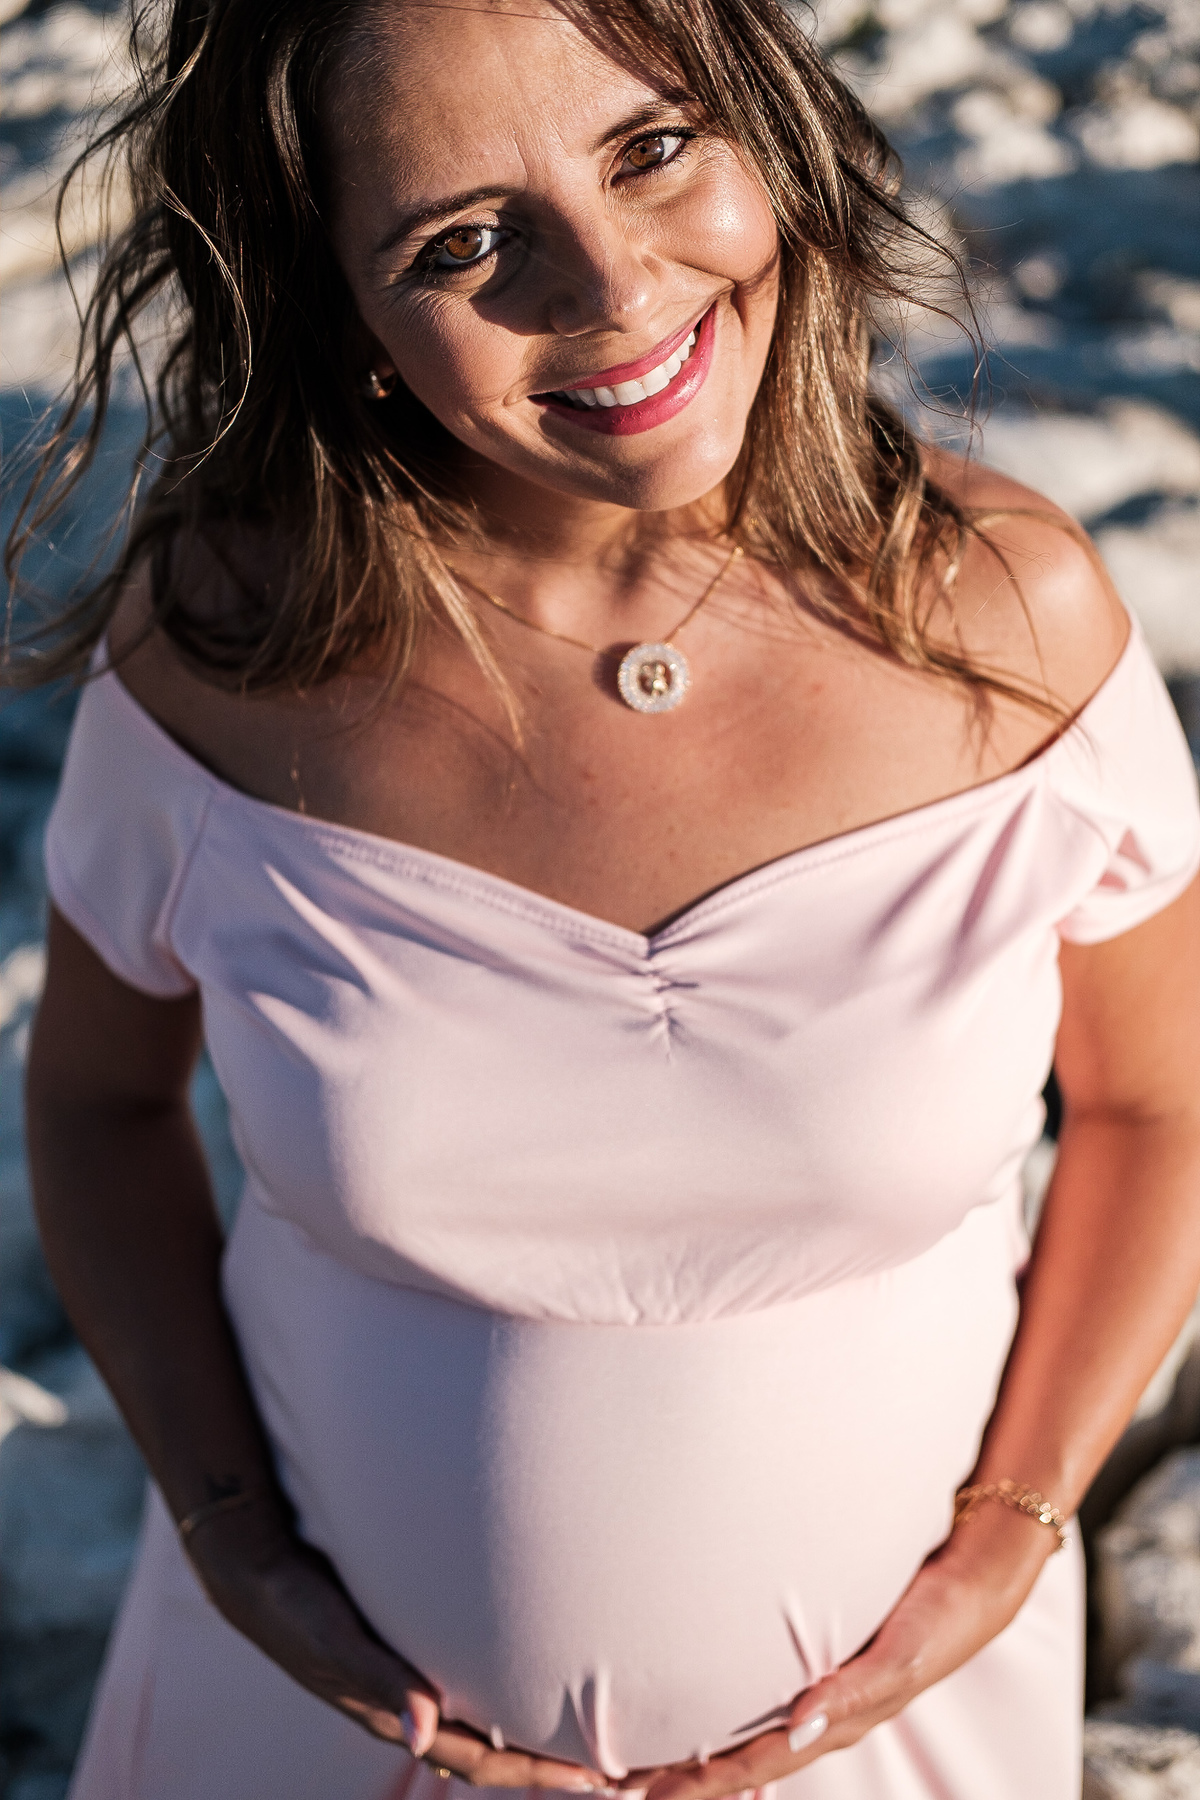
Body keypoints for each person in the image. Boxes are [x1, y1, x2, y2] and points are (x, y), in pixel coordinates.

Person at [12, 0, 1200, 1794]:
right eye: (462, 242)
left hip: (900, 1747)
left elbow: (1158, 1102)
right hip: (308, 1742)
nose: (614, 286)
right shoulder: (230, 655)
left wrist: (1015, 1536)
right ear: (332, 304)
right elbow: (99, 1105)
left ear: (766, 126)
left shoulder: (1010, 620)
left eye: (652, 149)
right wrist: (226, 1528)